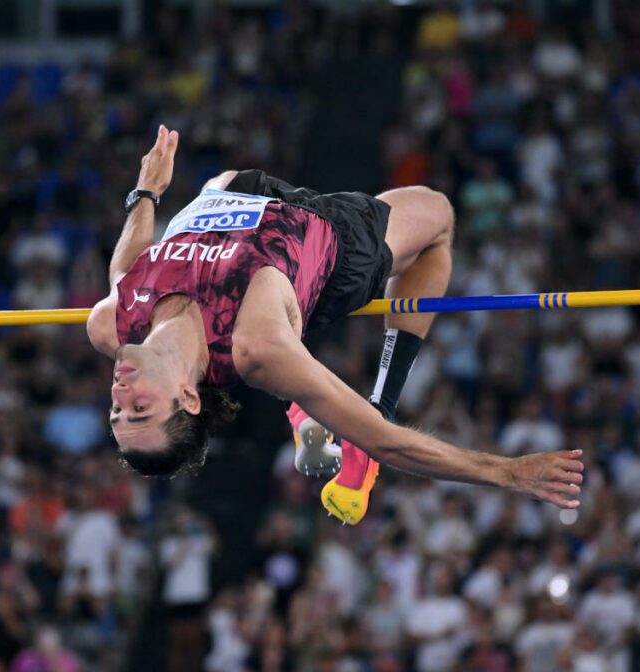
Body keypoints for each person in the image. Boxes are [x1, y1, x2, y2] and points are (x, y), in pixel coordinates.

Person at [86, 125, 583, 524]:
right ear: (187, 398)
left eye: (117, 414)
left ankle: (301, 411)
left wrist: (145, 193)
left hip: (237, 194)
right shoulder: (254, 344)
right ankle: (373, 405)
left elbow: (126, 265)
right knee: (438, 217)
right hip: (327, 236)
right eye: (140, 410)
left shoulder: (111, 324)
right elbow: (389, 443)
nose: (120, 400)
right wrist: (509, 473)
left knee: (222, 178)